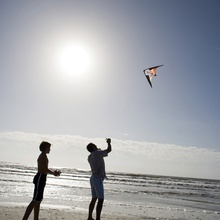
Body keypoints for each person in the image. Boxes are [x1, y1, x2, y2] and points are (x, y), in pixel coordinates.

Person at [22, 141, 61, 220]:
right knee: (36, 199)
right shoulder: (43, 156)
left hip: (42, 177)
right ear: (44, 148)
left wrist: (53, 172)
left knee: (38, 199)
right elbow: (44, 169)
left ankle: (36, 218)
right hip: (40, 177)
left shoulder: (44, 156)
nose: (50, 149)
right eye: (48, 148)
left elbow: (45, 169)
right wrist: (54, 173)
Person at [86, 138, 112, 220]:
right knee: (101, 199)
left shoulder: (90, 156)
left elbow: (99, 155)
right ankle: (98, 218)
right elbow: (109, 150)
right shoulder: (97, 153)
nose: (97, 147)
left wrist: (98, 150)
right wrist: (108, 143)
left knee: (94, 198)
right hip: (97, 179)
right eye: (95, 146)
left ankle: (90, 217)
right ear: (93, 148)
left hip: (93, 177)